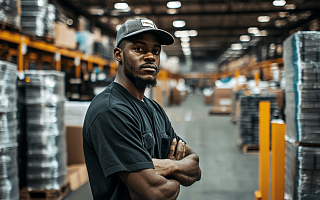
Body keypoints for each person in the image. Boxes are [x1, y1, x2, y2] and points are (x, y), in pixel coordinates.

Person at [83, 18, 201, 200]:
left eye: (156, 51)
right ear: (118, 54)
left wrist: (168, 166)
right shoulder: (110, 111)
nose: (150, 56)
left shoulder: (154, 109)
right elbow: (154, 194)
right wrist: (176, 170)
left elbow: (195, 167)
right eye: (138, 48)